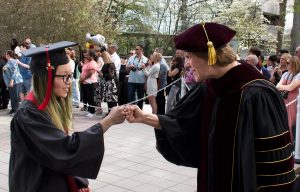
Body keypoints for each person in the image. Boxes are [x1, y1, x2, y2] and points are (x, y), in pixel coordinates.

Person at [124, 23, 296, 191]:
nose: (186, 64)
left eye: (190, 56)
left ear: (210, 55)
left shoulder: (257, 93)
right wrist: (144, 117)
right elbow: (181, 125)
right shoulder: (209, 88)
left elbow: (275, 163)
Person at [9, 41, 125, 192]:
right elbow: (65, 150)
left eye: (70, 76)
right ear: (46, 77)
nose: (69, 82)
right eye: (65, 77)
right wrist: (108, 121)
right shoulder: (29, 113)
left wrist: (77, 182)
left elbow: (54, 154)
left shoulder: (49, 106)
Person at [276, 56, 300, 142]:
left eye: (288, 63)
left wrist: (283, 87)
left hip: (293, 103)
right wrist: (285, 87)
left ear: (294, 64)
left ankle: (292, 145)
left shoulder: (299, 75)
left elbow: (290, 88)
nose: (286, 64)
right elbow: (277, 86)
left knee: (291, 124)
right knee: (283, 123)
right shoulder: (286, 74)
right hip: (284, 101)